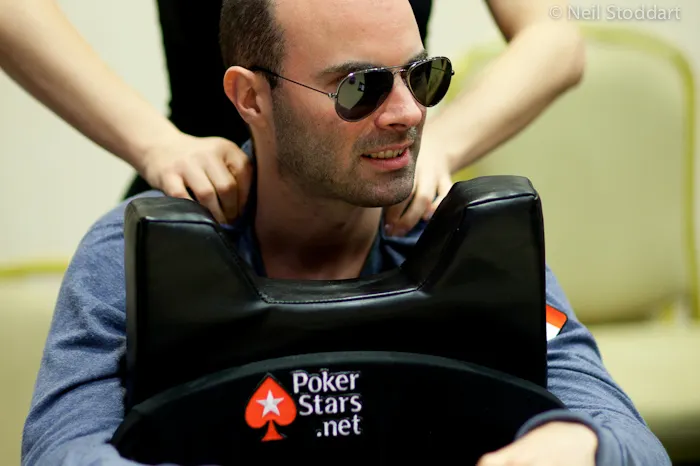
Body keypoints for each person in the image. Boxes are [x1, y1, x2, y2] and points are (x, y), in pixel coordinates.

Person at [22, 0, 669, 465]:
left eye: (422, 77)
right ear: (250, 98)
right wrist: (154, 144)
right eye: (359, 88)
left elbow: (630, 440)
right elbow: (63, 450)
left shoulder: (472, 248)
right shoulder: (133, 259)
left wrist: (575, 444)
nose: (408, 114)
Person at [0, 0, 585, 232]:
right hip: (201, 205)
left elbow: (555, 36)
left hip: (381, 212)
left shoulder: (467, 241)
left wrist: (441, 143)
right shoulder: (121, 262)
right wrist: (155, 143)